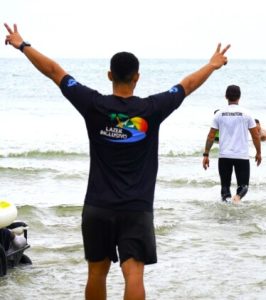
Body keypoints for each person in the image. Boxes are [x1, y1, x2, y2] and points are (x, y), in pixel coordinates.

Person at [4, 23, 229, 299]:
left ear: (110, 75)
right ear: (137, 77)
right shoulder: (152, 109)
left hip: (98, 207)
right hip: (137, 208)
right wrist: (212, 65)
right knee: (133, 273)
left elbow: (54, 72)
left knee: (96, 273)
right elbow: (188, 85)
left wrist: (22, 45)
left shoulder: (93, 104)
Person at [202, 85, 261, 204]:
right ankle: (237, 198)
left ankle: (226, 215)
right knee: (243, 186)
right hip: (241, 156)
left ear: (226, 97)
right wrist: (258, 152)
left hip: (224, 156)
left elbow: (211, 136)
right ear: (239, 97)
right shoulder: (247, 114)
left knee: (225, 188)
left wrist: (206, 154)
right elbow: (255, 136)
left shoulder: (219, 114)